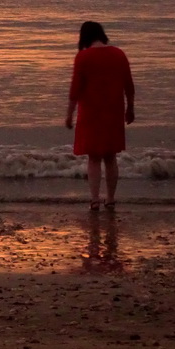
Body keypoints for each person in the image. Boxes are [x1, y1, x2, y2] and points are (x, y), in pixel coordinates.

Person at [65, 21, 135, 210]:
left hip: (90, 113)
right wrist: (131, 108)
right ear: (101, 34)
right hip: (113, 111)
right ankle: (110, 198)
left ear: (84, 37)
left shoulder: (83, 57)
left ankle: (95, 199)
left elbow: (75, 90)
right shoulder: (118, 54)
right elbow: (129, 84)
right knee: (111, 157)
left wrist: (69, 114)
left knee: (94, 158)